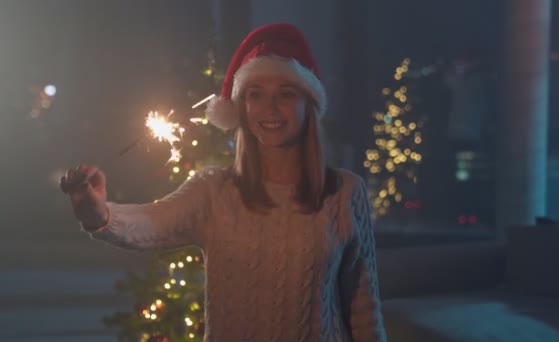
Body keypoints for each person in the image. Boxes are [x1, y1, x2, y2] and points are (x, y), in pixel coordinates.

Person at [60, 23, 387, 341]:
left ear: (309, 104)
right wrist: (96, 212)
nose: (269, 108)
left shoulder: (345, 192)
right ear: (241, 108)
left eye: (286, 94)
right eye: (255, 95)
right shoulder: (213, 191)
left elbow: (363, 307)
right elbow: (149, 223)